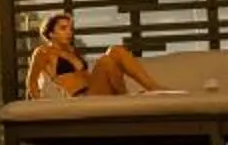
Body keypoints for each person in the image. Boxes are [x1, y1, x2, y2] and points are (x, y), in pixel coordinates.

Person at [26, 13, 167, 99]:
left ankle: (147, 90)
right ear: (51, 33)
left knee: (115, 52)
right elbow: (31, 82)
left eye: (70, 28)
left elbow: (86, 75)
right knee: (107, 59)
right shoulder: (43, 52)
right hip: (80, 98)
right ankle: (145, 92)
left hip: (95, 91)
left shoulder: (72, 50)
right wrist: (39, 106)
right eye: (63, 28)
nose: (69, 32)